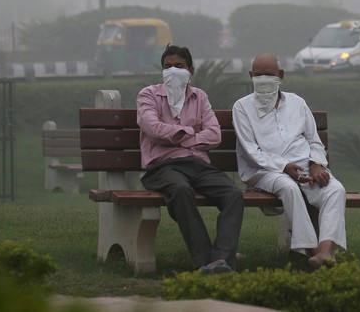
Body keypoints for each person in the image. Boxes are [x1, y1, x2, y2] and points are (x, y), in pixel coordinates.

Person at [232, 53, 347, 269]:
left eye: (269, 74)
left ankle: (325, 251)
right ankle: (312, 251)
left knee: (335, 189)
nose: (264, 79)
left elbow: (314, 140)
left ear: (281, 75)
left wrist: (316, 164)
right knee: (289, 188)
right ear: (251, 75)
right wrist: (284, 167)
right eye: (259, 75)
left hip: (304, 166)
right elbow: (251, 151)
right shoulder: (242, 107)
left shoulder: (297, 103)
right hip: (265, 171)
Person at [137, 44, 244, 274]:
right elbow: (152, 127)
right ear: (161, 70)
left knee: (233, 194)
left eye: (179, 66)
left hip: (198, 165)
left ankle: (222, 259)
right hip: (163, 168)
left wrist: (177, 136)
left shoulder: (200, 97)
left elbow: (214, 135)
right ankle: (204, 262)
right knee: (181, 190)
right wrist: (192, 131)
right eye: (167, 66)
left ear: (191, 70)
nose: (172, 70)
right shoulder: (149, 95)